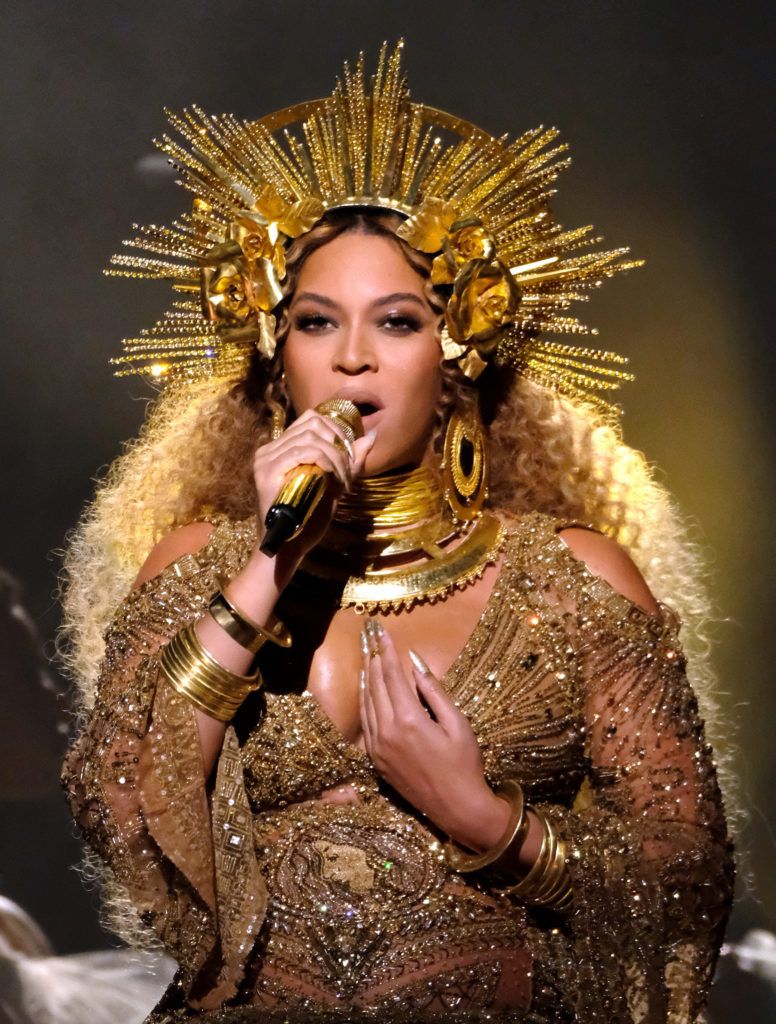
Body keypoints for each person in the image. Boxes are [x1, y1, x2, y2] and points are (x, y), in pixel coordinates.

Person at [60, 43, 734, 1023]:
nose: (355, 360)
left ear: (454, 358)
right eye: (316, 323)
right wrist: (266, 567)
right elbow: (121, 801)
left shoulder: (568, 579)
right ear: (275, 357)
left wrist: (491, 824)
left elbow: (683, 881)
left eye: (398, 322)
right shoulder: (202, 569)